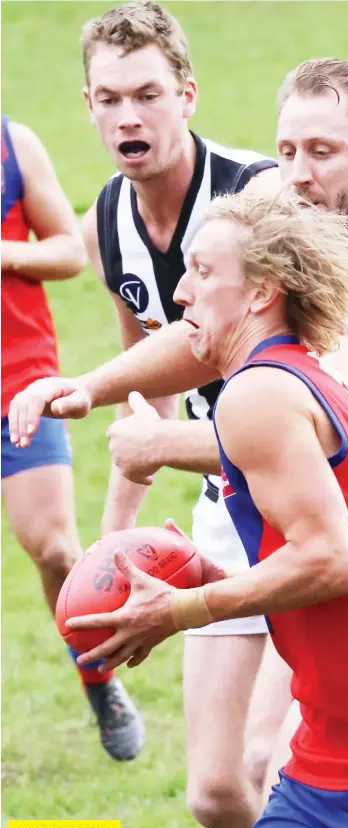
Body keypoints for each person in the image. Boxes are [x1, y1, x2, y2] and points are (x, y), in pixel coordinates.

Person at [64, 191, 348, 828]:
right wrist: (201, 570)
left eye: (203, 272)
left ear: (262, 291)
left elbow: (332, 562)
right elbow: (346, 555)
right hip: (341, 738)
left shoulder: (258, 396)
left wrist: (183, 610)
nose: (179, 290)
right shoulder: (303, 378)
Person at [72, 0, 288, 828]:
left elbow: (277, 373)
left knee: (271, 764)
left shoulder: (258, 195)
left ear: (188, 94)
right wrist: (110, 544)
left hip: (307, 493)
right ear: (88, 105)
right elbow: (150, 393)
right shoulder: (107, 226)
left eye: (150, 94)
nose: (131, 115)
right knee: (215, 793)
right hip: (218, 495)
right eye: (111, 97)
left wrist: (94, 396)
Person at [1, 116, 143, 761]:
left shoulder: (13, 144)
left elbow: (67, 250)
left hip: (17, 379)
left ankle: (99, 680)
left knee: (57, 551)